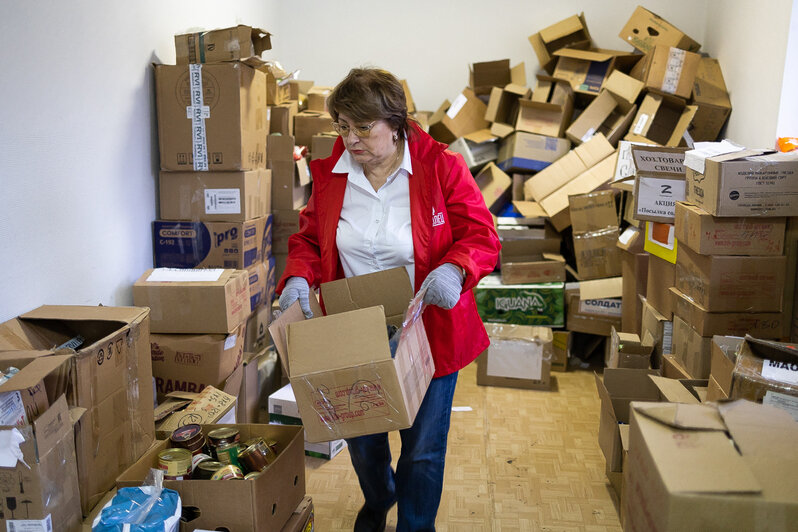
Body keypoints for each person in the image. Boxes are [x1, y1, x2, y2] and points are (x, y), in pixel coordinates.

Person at [277, 67, 500, 532]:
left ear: (396, 125)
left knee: (422, 449)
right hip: (354, 329)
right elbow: (310, 238)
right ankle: (379, 499)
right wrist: (298, 275)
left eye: (363, 127)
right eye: (342, 126)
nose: (350, 139)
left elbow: (480, 234)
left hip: (428, 328)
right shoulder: (332, 174)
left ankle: (415, 525)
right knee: (363, 441)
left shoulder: (440, 167)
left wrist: (455, 268)